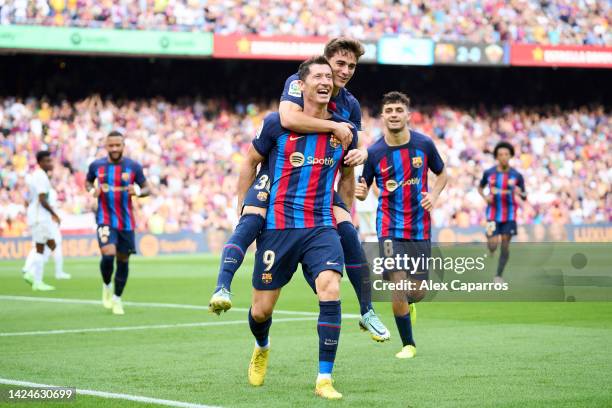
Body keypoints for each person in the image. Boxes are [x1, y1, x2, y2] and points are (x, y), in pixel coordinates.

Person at [209, 37, 390, 342]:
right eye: (339, 64)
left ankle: (368, 311)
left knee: (348, 232)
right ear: (324, 63)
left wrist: (360, 160)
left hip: (316, 185)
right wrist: (334, 127)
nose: (344, 71)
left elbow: (348, 164)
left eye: (351, 66)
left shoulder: (351, 105)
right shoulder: (299, 82)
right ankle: (222, 288)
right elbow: (288, 118)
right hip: (277, 174)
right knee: (251, 221)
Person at [241, 57, 356, 399]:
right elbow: (249, 162)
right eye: (317, 76)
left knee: (330, 287)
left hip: (321, 225)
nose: (325, 81)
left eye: (328, 77)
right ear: (300, 85)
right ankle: (262, 345)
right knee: (261, 311)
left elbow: (347, 178)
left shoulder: (344, 129)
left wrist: (348, 215)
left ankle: (324, 378)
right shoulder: (278, 123)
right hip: (278, 226)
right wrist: (245, 211)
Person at [356, 92, 448, 359]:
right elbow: (364, 188)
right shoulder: (374, 152)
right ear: (383, 116)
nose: (394, 114)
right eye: (389, 110)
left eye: (399, 109)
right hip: (388, 226)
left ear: (408, 115)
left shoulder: (424, 145)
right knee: (397, 283)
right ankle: (408, 344)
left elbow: (442, 174)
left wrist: (434, 195)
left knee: (417, 292)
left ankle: (409, 304)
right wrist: (361, 193)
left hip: (419, 227)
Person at [86, 131, 151, 315]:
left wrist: (137, 191)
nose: (114, 149)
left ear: (123, 146)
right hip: (105, 218)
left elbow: (147, 188)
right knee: (108, 254)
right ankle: (106, 285)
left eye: (118, 145)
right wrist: (92, 191)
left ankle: (117, 299)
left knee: (123, 260)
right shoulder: (96, 166)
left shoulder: (133, 166)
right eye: (111, 145)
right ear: (106, 146)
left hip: (127, 222)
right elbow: (88, 182)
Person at [478, 141, 526, 283]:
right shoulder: (489, 173)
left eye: (506, 154)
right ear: (496, 157)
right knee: (492, 244)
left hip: (510, 216)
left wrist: (520, 192)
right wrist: (485, 197)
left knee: (505, 245)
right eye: (500, 154)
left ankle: (498, 276)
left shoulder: (517, 175)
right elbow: (480, 188)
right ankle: (491, 249)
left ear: (510, 156)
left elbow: (524, 195)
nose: (503, 157)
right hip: (491, 215)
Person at [23, 151, 62, 291]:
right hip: (40, 218)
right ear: (39, 163)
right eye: (46, 161)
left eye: (50, 161)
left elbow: (29, 199)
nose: (50, 163)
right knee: (41, 247)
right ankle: (35, 279)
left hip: (39, 217)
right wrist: (54, 214)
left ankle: (31, 274)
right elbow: (41, 198)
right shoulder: (40, 176)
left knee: (50, 245)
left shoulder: (40, 175)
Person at [22, 173, 70, 281]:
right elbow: (48, 205)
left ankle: (29, 270)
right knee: (47, 247)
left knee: (45, 246)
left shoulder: (36, 191)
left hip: (42, 220)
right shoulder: (49, 192)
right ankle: (31, 272)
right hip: (47, 222)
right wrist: (55, 216)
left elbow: (27, 203)